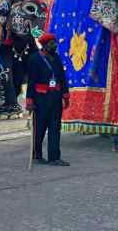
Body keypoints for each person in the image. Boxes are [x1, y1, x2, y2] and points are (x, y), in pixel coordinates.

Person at [26, 33, 70, 166]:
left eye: (54, 43)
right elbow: (31, 81)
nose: (54, 45)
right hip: (41, 98)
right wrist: (29, 100)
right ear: (44, 45)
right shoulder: (34, 59)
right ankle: (37, 155)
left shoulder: (56, 57)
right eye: (51, 43)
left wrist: (65, 94)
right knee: (39, 128)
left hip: (55, 97)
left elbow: (62, 77)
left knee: (55, 127)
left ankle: (54, 157)